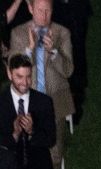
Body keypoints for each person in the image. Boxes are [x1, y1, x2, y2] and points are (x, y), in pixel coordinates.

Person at [9, 0, 77, 130]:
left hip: (56, 101)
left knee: (55, 148)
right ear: (30, 8)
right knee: (30, 147)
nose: (44, 16)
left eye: (48, 11)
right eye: (40, 10)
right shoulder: (18, 34)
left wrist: (53, 52)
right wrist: (30, 49)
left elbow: (68, 71)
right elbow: (14, 71)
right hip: (27, 101)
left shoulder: (62, 33)